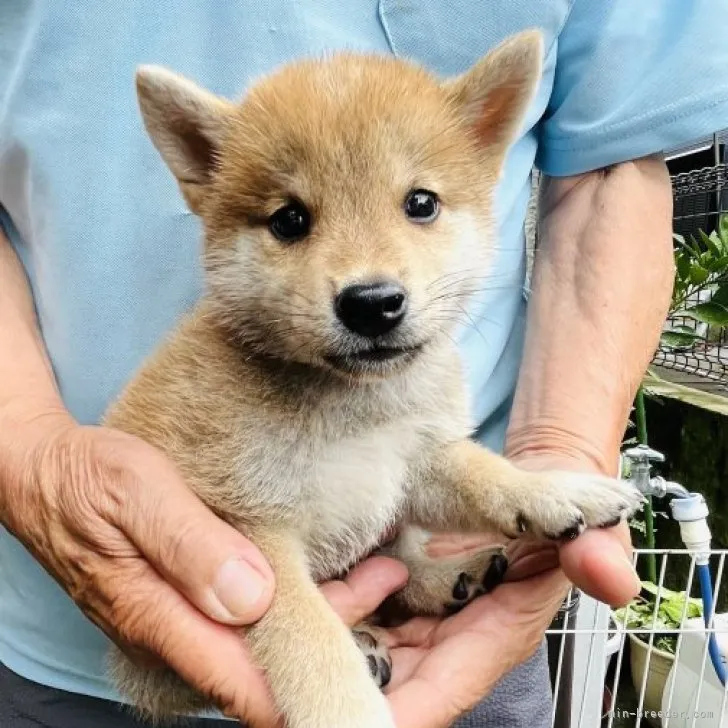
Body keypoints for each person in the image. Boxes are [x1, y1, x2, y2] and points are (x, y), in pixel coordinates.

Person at [0, 2, 726, 726]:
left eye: (418, 204)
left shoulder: (429, 371)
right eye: (293, 221)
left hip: (455, 651)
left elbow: (425, 462)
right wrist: (27, 444)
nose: (368, 278)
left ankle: (422, 580)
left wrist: (543, 472)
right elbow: (254, 545)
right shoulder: (222, 382)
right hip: (80, 641)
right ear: (201, 165)